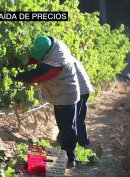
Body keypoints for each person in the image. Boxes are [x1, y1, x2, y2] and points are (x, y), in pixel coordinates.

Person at [12, 35, 80, 168]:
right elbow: (33, 59)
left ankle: (70, 158)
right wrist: (18, 62)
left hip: (66, 95)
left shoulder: (56, 62)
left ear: (46, 54)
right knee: (63, 126)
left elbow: (36, 76)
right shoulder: (51, 46)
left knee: (67, 128)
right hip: (59, 94)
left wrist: (15, 76)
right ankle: (64, 155)